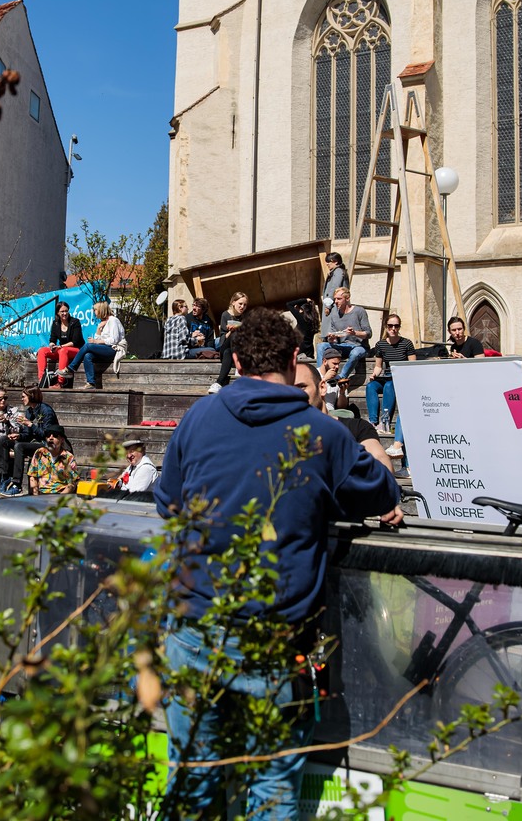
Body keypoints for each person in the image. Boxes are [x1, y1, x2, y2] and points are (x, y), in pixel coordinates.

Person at [154, 307, 402, 819]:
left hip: (193, 628)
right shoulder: (323, 433)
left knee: (193, 785)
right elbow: (380, 491)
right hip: (273, 640)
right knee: (271, 792)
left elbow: (169, 502)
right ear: (294, 360)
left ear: (236, 362)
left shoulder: (199, 417)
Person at [294, 361, 394, 473]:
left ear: (322, 387)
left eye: (301, 387)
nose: (294, 394)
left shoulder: (357, 428)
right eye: (288, 389)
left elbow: (382, 466)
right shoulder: (285, 435)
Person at [366, 314, 416, 435]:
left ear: (399, 327)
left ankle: (385, 422)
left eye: (396, 326)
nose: (393, 329)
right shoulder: (381, 344)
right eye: (390, 326)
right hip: (387, 376)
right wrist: (374, 375)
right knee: (370, 386)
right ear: (386, 327)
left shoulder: (407, 343)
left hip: (401, 379)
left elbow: (413, 366)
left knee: (389, 386)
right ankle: (373, 422)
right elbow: (378, 366)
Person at [64, 301, 127, 390]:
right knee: (87, 355)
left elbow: (114, 340)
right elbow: (98, 338)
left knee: (88, 346)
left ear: (101, 310)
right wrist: (98, 328)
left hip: (114, 349)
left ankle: (71, 368)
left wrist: (95, 341)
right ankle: (91, 383)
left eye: (95, 310)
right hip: (105, 349)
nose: (94, 312)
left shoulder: (113, 320)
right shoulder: (104, 322)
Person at [315, 287, 371, 384]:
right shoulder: (334, 315)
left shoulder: (359, 311)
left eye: (339, 299)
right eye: (335, 299)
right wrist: (331, 338)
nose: (336, 301)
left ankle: (340, 377)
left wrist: (354, 333)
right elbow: (334, 339)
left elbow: (368, 333)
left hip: (360, 346)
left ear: (347, 298)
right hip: (343, 346)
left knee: (355, 353)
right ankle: (320, 375)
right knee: (321, 346)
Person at [9, 386, 58, 490]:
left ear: (31, 396)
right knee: (3, 441)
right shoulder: (29, 411)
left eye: (23, 396)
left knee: (19, 447)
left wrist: (30, 424)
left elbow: (47, 435)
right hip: (35, 442)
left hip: (48, 444)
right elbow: (27, 434)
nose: (22, 399)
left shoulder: (46, 411)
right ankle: (5, 478)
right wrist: (19, 435)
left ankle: (16, 484)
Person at [208, 291, 250, 393]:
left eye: (245, 305)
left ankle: (218, 383)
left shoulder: (246, 317)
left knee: (228, 352)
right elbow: (223, 337)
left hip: (235, 352)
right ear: (233, 302)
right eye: (240, 304)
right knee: (233, 335)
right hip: (225, 346)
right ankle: (239, 366)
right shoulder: (225, 315)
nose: (242, 307)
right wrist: (231, 331)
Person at [37, 301, 84, 387]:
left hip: (76, 350)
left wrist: (60, 346)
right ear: (57, 313)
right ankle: (42, 379)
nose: (65, 313)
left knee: (63, 351)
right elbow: (52, 339)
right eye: (62, 311)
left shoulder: (75, 322)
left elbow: (76, 341)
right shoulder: (55, 323)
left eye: (66, 311)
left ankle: (60, 382)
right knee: (42, 351)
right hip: (62, 349)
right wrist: (52, 345)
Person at [27, 425, 78, 495]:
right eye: (48, 435)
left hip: (60, 495)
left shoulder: (68, 457)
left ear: (62, 440)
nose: (50, 438)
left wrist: (59, 499)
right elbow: (32, 476)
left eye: (55, 435)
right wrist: (36, 496)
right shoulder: (39, 453)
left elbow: (72, 483)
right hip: (41, 495)